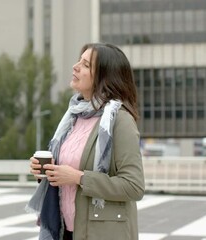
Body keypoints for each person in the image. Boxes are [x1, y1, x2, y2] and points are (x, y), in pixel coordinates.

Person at [26, 43, 145, 240]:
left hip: (100, 233)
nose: (75, 66)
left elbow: (134, 186)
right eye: (79, 61)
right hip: (64, 231)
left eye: (86, 64)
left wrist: (79, 178)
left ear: (104, 76)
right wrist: (48, 172)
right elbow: (68, 174)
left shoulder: (120, 120)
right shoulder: (74, 116)